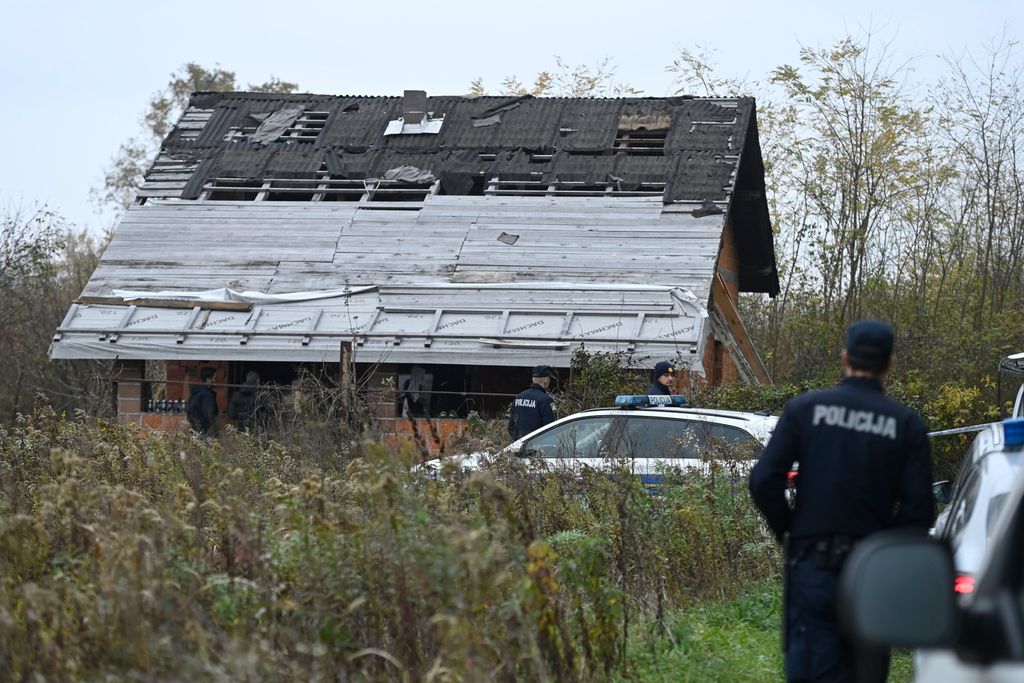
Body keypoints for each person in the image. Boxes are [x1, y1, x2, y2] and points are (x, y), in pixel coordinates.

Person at [748, 320, 934, 682]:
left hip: (813, 568)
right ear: (890, 363)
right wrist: (883, 550)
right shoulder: (906, 424)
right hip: (872, 577)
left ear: (845, 356)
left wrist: (792, 533)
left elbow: (763, 481)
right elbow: (918, 512)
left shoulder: (806, 409)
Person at [508, 365, 557, 439]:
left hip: (520, 445)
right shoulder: (546, 400)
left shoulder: (518, 397)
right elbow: (551, 428)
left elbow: (511, 427)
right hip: (539, 447)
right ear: (546, 380)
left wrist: (518, 441)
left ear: (533, 379)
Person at [186, 366, 219, 438]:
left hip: (195, 428)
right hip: (204, 431)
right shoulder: (207, 395)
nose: (216, 381)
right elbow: (209, 414)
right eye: (215, 378)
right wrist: (213, 430)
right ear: (208, 380)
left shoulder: (195, 392)